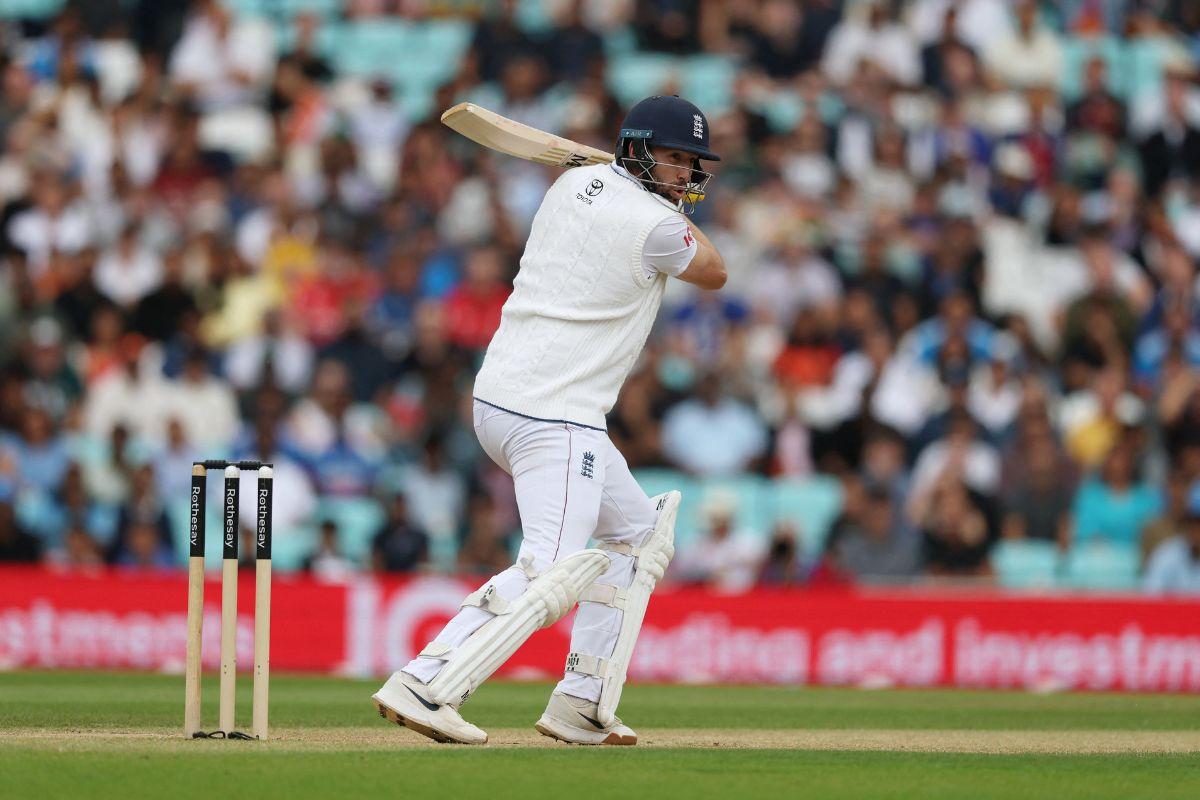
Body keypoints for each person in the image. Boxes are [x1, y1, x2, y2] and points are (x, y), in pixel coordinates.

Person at [372, 95, 725, 746]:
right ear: (640, 150)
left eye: (692, 163)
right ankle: (427, 679)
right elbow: (714, 270)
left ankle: (582, 700)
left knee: (638, 537)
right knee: (550, 567)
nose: (686, 174)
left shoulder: (571, 183)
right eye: (675, 159)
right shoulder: (656, 228)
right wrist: (665, 206)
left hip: (504, 399)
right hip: (558, 416)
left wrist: (652, 189)